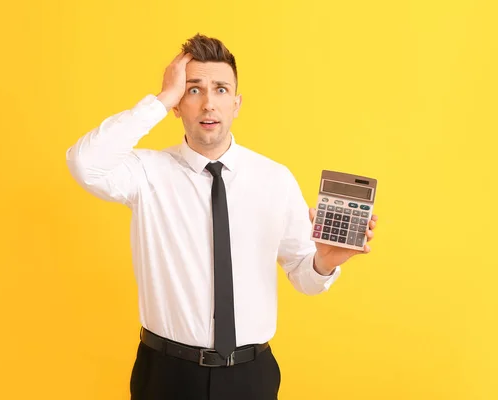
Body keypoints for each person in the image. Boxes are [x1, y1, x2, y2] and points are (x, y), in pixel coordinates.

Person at [66, 33, 378, 400]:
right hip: (166, 374)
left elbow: (304, 278)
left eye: (220, 90)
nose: (208, 104)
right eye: (193, 90)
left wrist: (324, 263)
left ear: (237, 103)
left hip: (250, 376)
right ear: (178, 105)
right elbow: (84, 162)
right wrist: (161, 99)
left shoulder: (274, 179)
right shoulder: (147, 173)